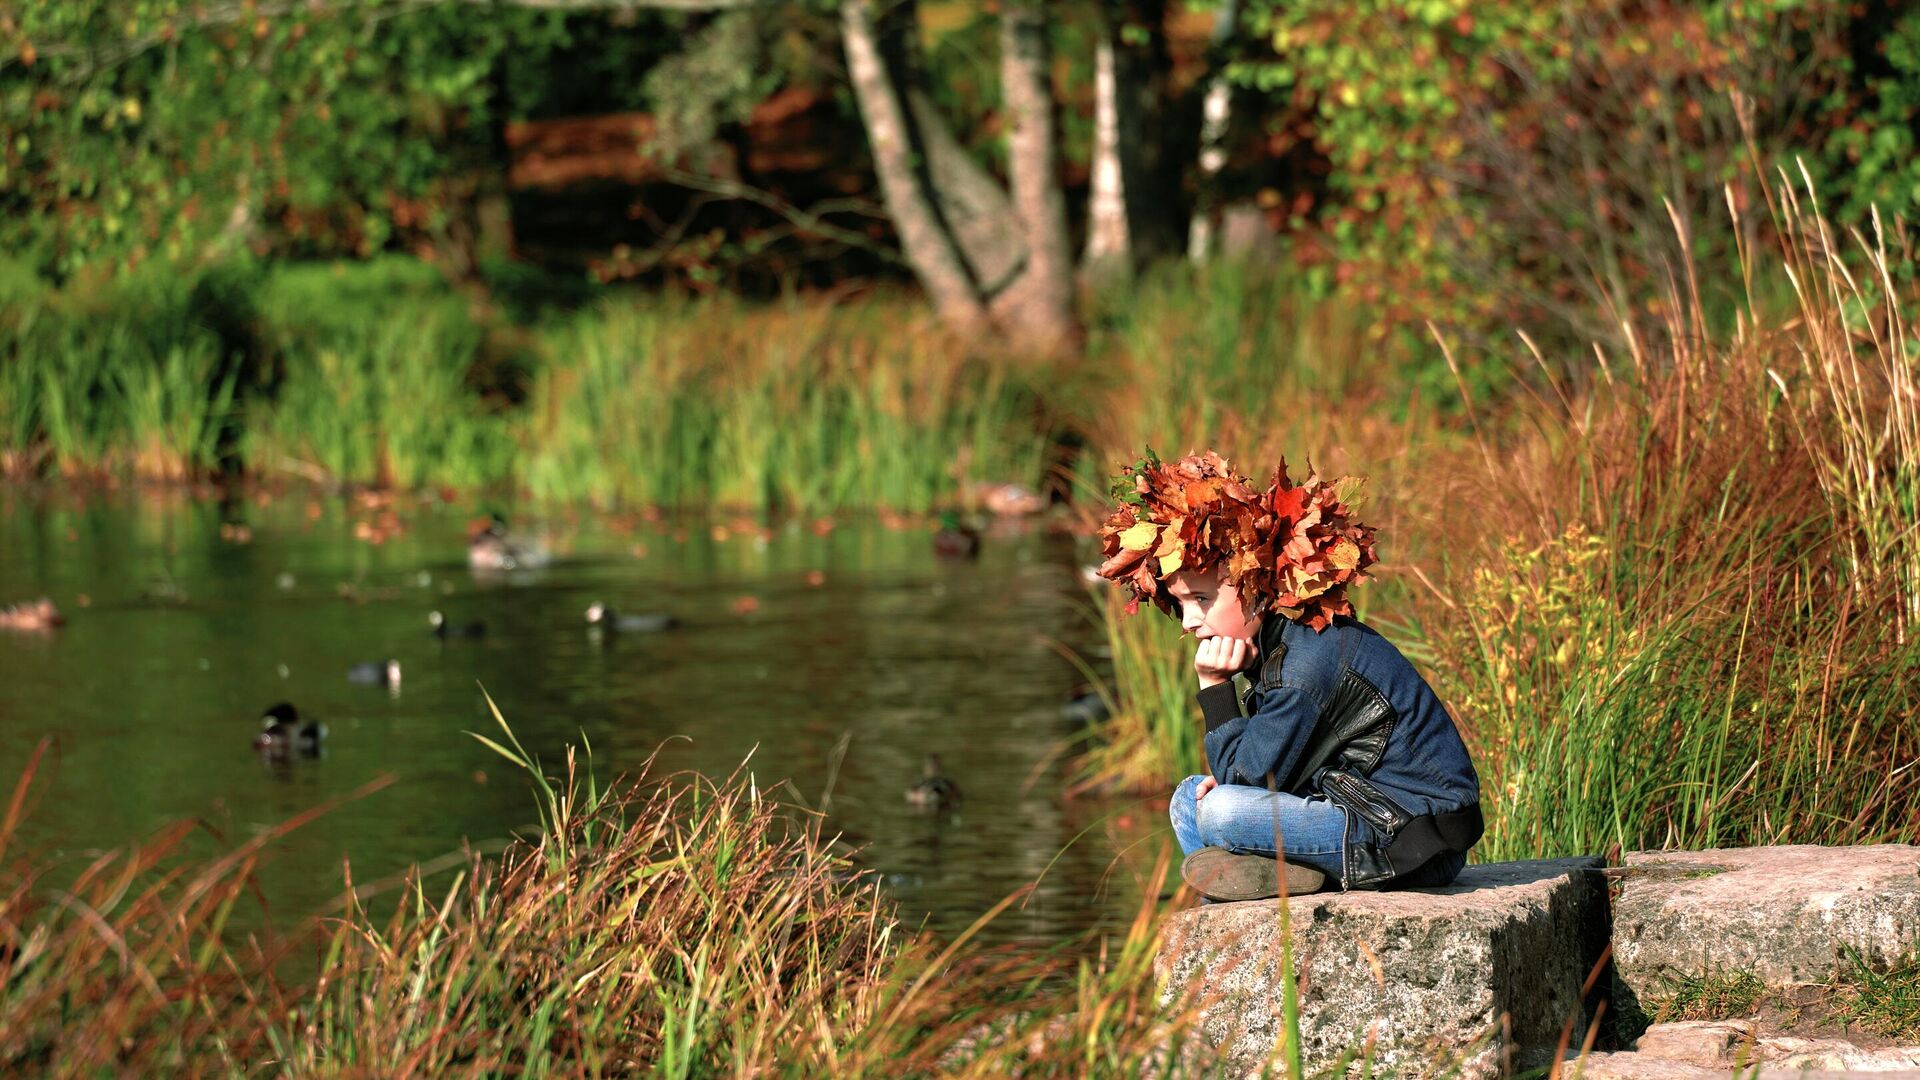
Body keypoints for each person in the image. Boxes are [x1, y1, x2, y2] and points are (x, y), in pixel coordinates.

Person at [1094, 450, 1482, 901]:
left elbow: (1247, 782)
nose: (1187, 623)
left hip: (1412, 836)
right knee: (1187, 799)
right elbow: (1262, 768)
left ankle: (1262, 881)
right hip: (1353, 803)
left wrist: (1216, 688)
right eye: (1181, 605)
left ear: (1255, 588)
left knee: (1220, 810)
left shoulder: (1305, 664)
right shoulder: (1279, 645)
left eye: (1201, 599)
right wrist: (1240, 775)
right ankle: (1275, 877)